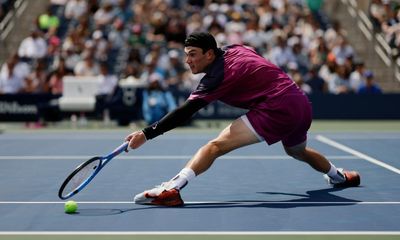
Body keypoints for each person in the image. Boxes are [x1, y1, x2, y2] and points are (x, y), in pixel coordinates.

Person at [125, 32, 361, 207]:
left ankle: (172, 189)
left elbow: (186, 111)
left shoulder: (217, 76)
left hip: (276, 107)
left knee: (214, 146)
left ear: (209, 54)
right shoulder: (236, 48)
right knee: (297, 151)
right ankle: (339, 177)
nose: (188, 61)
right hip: (299, 102)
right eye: (187, 55)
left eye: (193, 55)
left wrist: (146, 134)